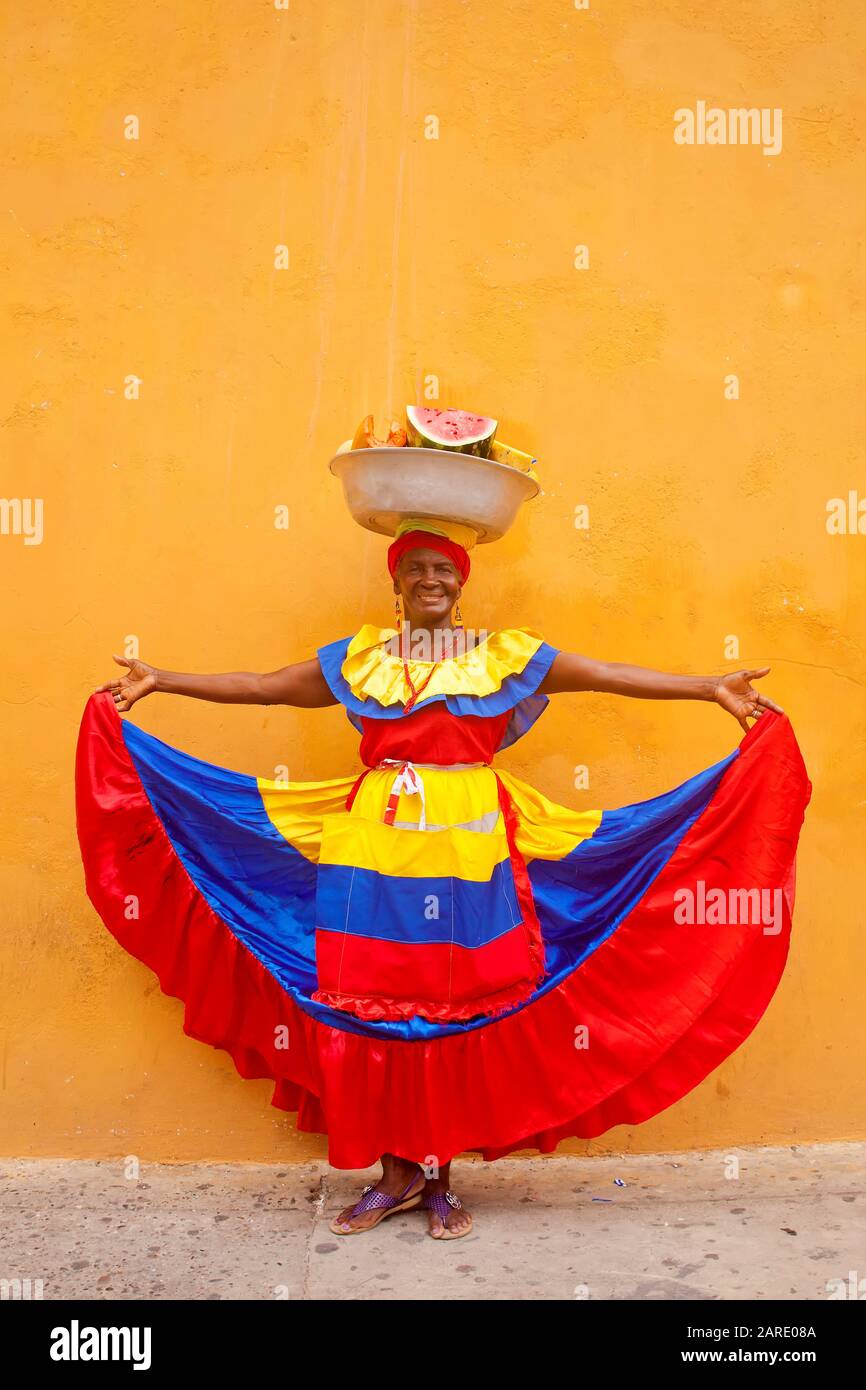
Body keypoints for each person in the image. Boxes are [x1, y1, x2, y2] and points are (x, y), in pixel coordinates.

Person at [76, 518, 811, 1241]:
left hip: (472, 848)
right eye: (417, 568)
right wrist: (162, 679)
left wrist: (708, 687)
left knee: (453, 1003)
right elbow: (268, 688)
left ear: (464, 581)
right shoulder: (361, 658)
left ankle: (440, 1178)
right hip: (376, 843)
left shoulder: (502, 655)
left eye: (445, 570)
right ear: (396, 581)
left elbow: (606, 677)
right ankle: (395, 1177)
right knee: (382, 1005)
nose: (432, 581)